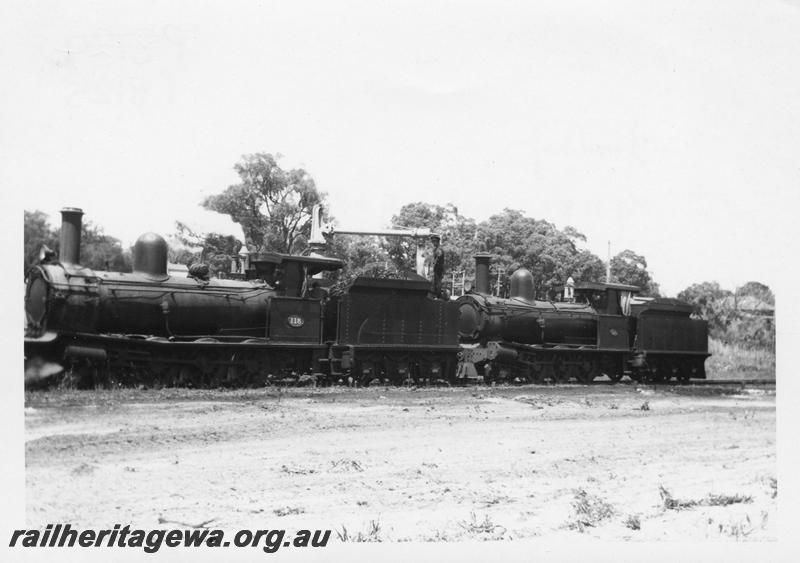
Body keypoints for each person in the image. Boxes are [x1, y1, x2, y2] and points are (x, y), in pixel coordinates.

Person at [430, 234, 445, 298]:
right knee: (434, 282)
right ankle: (435, 294)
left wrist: (433, 266)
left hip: (439, 269)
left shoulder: (439, 249)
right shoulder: (435, 249)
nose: (433, 243)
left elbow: (438, 257)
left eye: (435, 241)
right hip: (435, 270)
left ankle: (437, 295)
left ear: (438, 241)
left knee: (437, 283)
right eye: (432, 241)